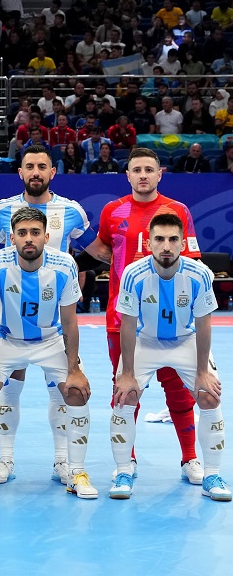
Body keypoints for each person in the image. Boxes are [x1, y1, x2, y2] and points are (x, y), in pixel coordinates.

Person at [0, 145, 110, 484]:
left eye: (42, 166)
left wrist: (131, 263)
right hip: (10, 322)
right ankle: (4, 461)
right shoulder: (2, 210)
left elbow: (93, 248)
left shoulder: (72, 211)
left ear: (53, 172)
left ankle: (63, 462)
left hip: (52, 322)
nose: (35, 171)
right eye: (29, 166)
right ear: (19, 172)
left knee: (61, 393)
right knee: (7, 392)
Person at [0, 207, 97, 499]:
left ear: (46, 236)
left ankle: (73, 469)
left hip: (50, 340)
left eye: (35, 233)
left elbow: (70, 322)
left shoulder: (64, 265)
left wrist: (74, 368)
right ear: (11, 238)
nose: (29, 239)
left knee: (76, 392)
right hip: (8, 338)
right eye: (22, 233)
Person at [97, 147, 203, 484]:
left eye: (149, 169)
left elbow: (193, 261)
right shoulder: (112, 211)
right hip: (123, 320)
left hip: (173, 322)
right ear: (127, 175)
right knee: (126, 391)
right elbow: (102, 248)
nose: (143, 175)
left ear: (160, 174)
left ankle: (190, 460)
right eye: (136, 169)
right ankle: (126, 464)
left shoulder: (178, 210)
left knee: (181, 394)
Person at [110, 214, 231, 502]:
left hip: (185, 340)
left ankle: (212, 474)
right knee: (124, 396)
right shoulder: (133, 273)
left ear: (182, 243)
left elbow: (203, 324)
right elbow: (127, 324)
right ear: (148, 242)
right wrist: (127, 372)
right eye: (160, 239)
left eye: (173, 239)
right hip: (146, 341)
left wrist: (203, 371)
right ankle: (123, 470)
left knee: (209, 395)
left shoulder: (200, 274)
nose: (166, 246)